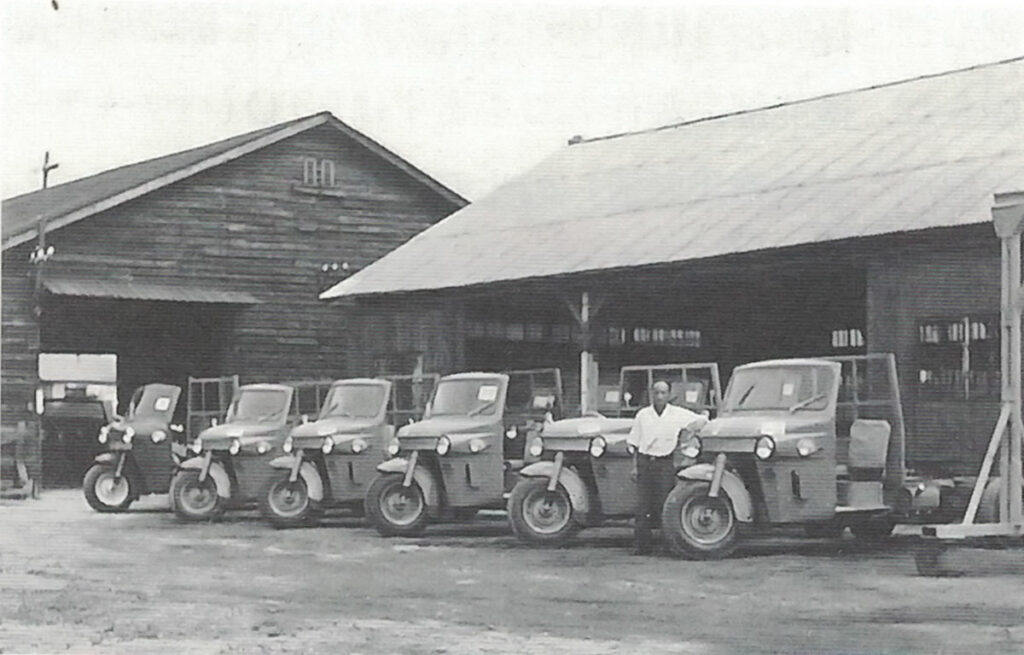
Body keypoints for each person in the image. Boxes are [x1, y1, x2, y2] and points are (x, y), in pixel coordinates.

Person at [626, 380, 707, 555]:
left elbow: (701, 420)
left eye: (663, 393)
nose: (660, 396)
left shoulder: (677, 414)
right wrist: (635, 467)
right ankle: (643, 547)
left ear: (669, 394)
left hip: (665, 463)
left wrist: (689, 435)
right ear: (651, 394)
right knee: (642, 506)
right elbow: (634, 442)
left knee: (665, 503)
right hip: (645, 462)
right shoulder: (643, 415)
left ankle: (668, 546)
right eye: (656, 392)